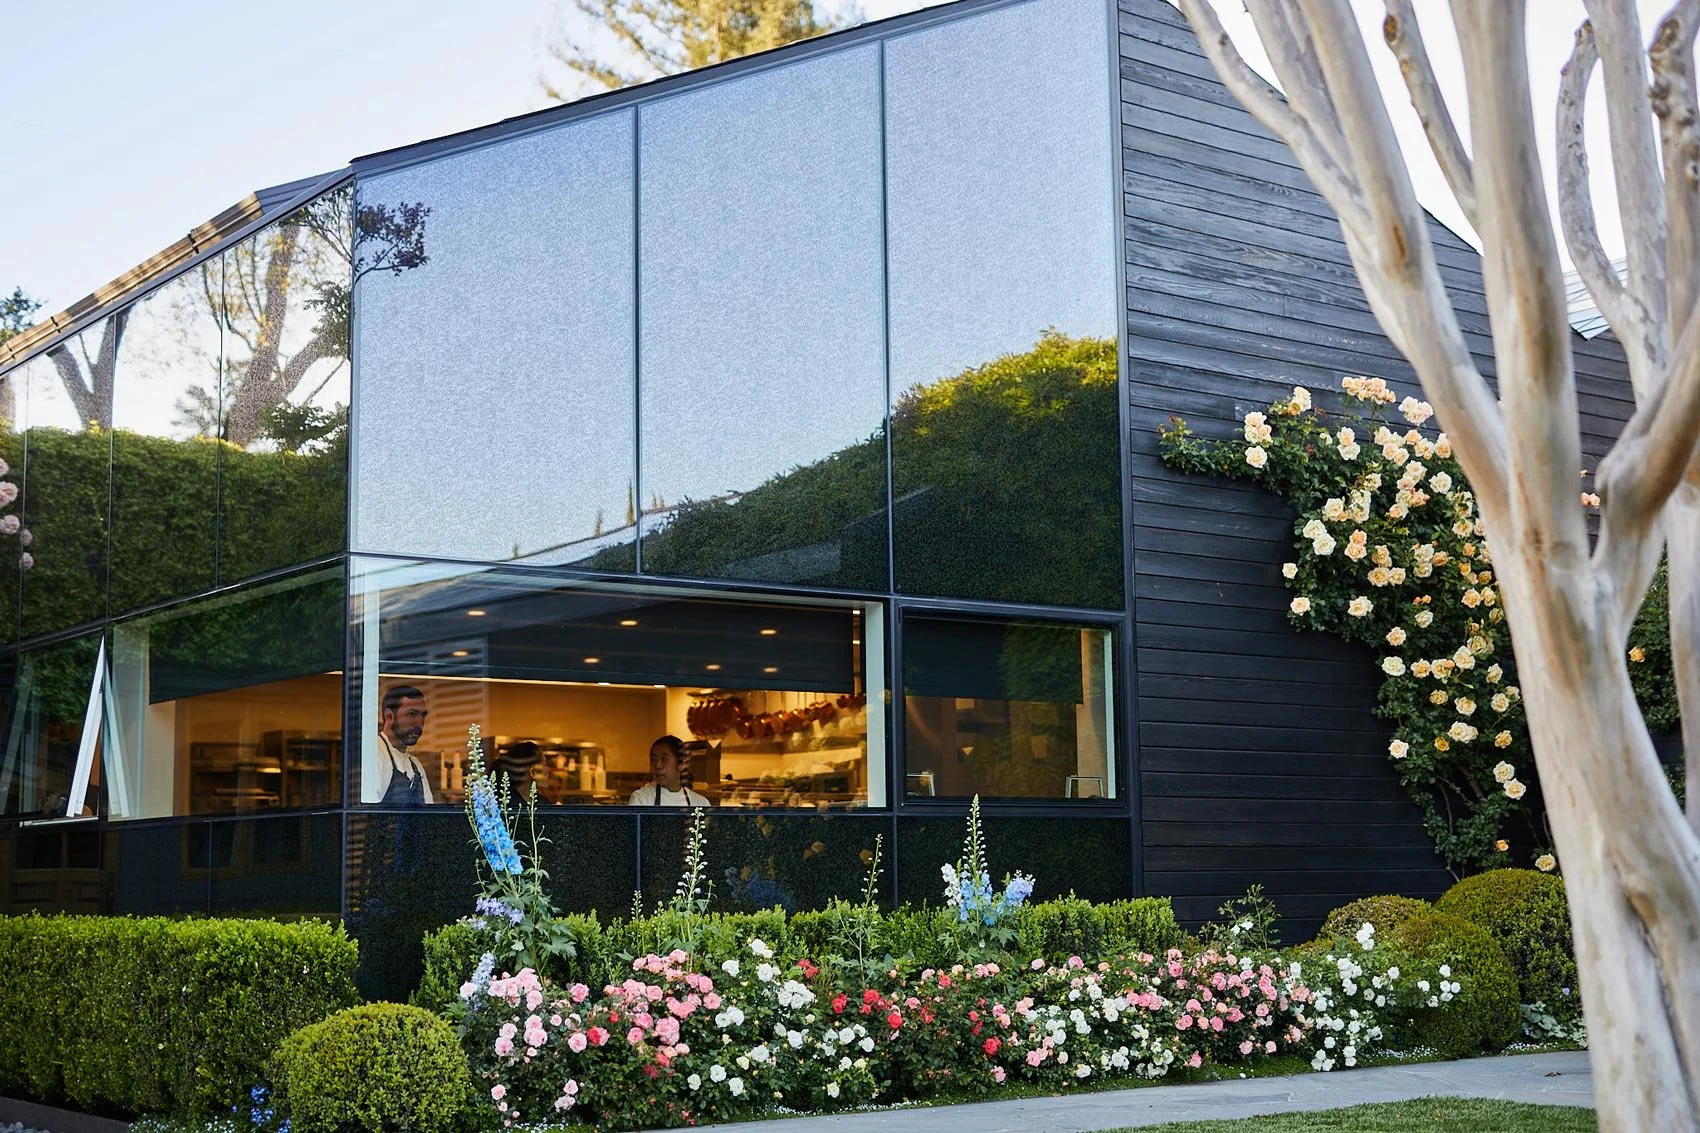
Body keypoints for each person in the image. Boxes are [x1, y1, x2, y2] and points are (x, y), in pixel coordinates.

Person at [375, 685, 435, 806]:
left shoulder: (416, 765)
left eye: (423, 715)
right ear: (389, 716)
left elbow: (429, 815)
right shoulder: (374, 753)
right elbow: (366, 816)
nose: (419, 723)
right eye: (412, 714)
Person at [628, 735, 711, 807]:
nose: (658, 766)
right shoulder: (641, 799)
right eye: (653, 760)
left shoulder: (700, 803)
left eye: (664, 759)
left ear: (681, 764)